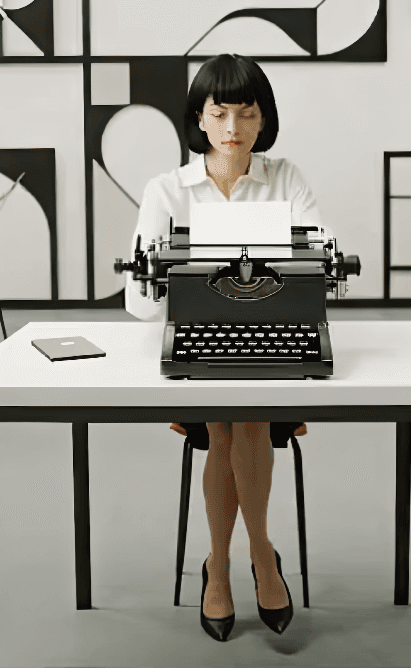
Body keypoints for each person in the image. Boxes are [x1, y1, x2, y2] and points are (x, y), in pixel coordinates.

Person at [126, 53, 316, 641]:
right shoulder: (166, 188)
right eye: (219, 113)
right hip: (198, 336)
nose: (233, 128)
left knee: (243, 416)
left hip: (270, 336)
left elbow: (317, 256)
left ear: (263, 121)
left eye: (247, 114)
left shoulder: (286, 176)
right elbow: (140, 302)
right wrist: (162, 275)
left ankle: (227, 565)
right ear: (199, 119)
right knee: (231, 418)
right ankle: (258, 558)